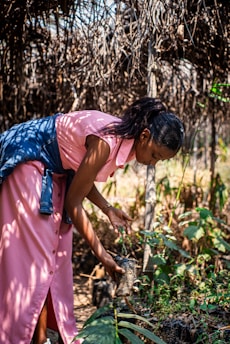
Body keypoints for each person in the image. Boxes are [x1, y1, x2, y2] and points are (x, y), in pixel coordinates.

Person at [0, 97, 184, 344]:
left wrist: (108, 209)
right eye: (154, 155)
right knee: (38, 260)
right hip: (30, 160)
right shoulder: (107, 142)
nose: (153, 163)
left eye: (159, 160)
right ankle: (26, 337)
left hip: (54, 169)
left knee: (58, 254)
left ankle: (43, 336)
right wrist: (102, 255)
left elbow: (81, 180)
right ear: (144, 135)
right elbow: (72, 203)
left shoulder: (123, 141)